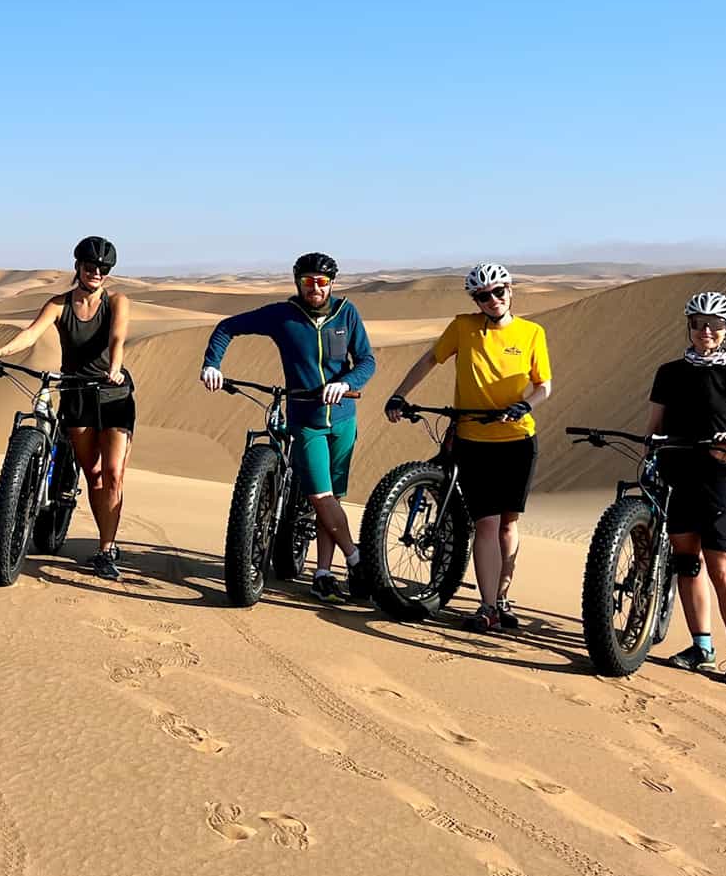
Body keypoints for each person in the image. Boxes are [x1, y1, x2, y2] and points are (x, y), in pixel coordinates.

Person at [384, 262, 552, 631]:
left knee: (508, 523)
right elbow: (430, 359)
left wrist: (526, 405)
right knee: (486, 522)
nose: (492, 300)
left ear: (510, 290)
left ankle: (502, 596)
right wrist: (399, 394)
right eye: (482, 296)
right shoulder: (463, 327)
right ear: (475, 300)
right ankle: (488, 607)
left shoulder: (531, 333)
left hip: (518, 440)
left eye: (498, 292)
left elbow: (544, 385)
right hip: (473, 440)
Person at [200, 251, 377, 599]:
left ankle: (323, 573)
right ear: (298, 282)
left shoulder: (347, 313)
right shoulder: (283, 315)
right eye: (308, 281)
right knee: (321, 495)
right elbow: (227, 328)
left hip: (343, 418)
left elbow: (367, 361)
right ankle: (356, 559)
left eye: (322, 282)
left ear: (332, 284)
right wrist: (212, 364)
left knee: (333, 498)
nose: (315, 288)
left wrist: (347, 382)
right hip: (306, 419)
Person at [0, 236, 136, 580]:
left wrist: (115, 368)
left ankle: (106, 549)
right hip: (76, 393)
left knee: (113, 473)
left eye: (104, 268)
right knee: (92, 473)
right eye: (91, 266)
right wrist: (0, 352)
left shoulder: (117, 301)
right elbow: (31, 334)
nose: (97, 272)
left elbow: (117, 338)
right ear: (78, 266)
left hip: (113, 394)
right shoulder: (59, 304)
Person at [652, 291, 726, 688]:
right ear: (690, 326)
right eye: (699, 323)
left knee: (723, 571)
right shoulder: (668, 373)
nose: (706, 331)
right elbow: (654, 427)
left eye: (715, 324)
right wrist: (650, 460)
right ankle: (701, 647)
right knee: (688, 563)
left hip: (721, 482)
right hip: (677, 475)